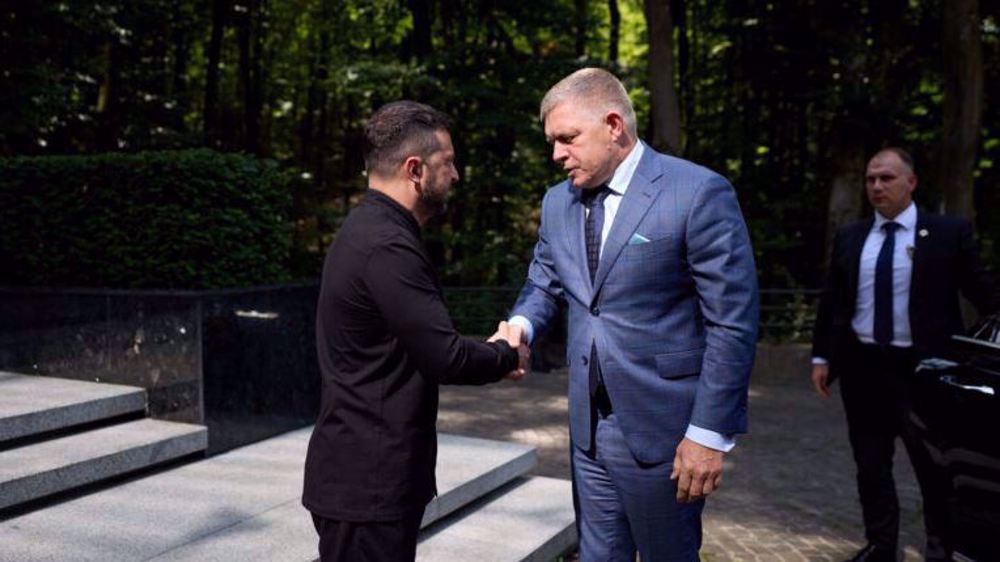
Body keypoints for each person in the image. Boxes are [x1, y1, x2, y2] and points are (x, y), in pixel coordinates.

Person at [508, 68, 759, 561]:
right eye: (552, 141)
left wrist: (708, 435)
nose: (556, 154)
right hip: (587, 432)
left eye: (568, 138)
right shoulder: (557, 203)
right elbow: (543, 282)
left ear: (614, 125)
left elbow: (732, 322)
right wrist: (521, 325)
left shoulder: (697, 192)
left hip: (666, 433)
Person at [302, 100, 528, 562]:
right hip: (367, 485)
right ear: (414, 169)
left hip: (363, 479)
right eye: (448, 162)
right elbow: (445, 356)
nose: (457, 174)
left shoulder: (371, 230)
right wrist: (506, 353)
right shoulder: (387, 244)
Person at [811, 147, 999, 562]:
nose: (877, 186)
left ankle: (939, 548)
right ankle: (880, 547)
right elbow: (834, 302)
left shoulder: (948, 233)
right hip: (864, 369)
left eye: (887, 178)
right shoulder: (852, 236)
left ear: (911, 182)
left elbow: (985, 294)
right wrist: (821, 357)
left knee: (934, 469)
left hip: (923, 372)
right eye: (871, 179)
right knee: (871, 467)